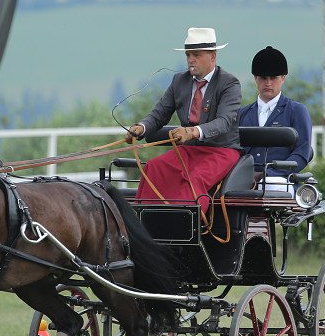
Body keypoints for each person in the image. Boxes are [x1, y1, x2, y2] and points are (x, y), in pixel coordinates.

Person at [125, 27, 242, 214]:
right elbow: (159, 113)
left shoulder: (229, 83)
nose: (190, 60)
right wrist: (142, 127)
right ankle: (145, 226)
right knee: (154, 168)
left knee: (195, 178)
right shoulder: (179, 81)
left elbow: (225, 121)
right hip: (188, 151)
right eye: (188, 55)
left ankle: (184, 229)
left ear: (213, 56)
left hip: (222, 151)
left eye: (196, 55)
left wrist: (193, 132)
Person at [238, 46, 312, 193]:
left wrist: (269, 173)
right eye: (263, 78)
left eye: (273, 78)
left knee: (270, 184)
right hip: (244, 179)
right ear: (255, 78)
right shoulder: (241, 114)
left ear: (283, 78)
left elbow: (302, 153)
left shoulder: (297, 111)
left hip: (280, 179)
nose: (268, 83)